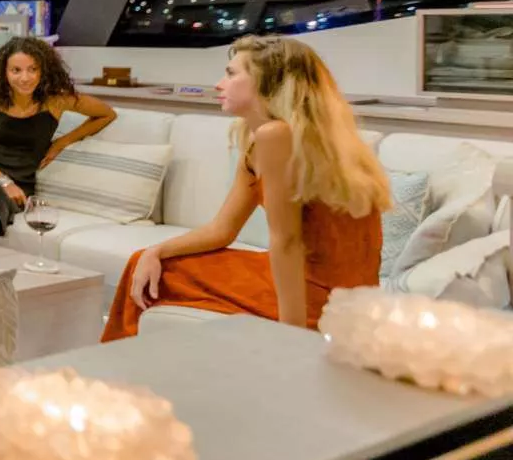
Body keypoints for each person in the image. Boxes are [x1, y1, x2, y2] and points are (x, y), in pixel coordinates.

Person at [102, 35, 387, 341]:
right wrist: (156, 250)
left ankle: (118, 364)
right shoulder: (274, 138)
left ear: (268, 82)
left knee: (153, 275)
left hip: (320, 296)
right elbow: (222, 230)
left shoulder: (276, 135)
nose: (219, 84)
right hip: (343, 290)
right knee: (147, 261)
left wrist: (292, 335)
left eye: (231, 74)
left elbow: (287, 241)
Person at [0, 36, 117, 243]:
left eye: (32, 69)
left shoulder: (57, 99)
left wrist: (61, 142)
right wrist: (4, 182)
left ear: (43, 70)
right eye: (16, 70)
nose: (25, 78)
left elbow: (106, 114)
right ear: (4, 72)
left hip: (19, 181)